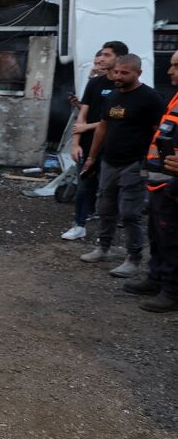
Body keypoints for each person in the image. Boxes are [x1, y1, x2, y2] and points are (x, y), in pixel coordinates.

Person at [80, 54, 166, 278]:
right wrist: (92, 157)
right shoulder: (113, 96)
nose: (118, 76)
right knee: (104, 208)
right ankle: (103, 248)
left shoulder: (151, 98)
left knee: (129, 213)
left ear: (138, 73)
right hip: (109, 161)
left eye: (124, 73)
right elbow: (103, 127)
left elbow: (160, 133)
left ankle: (134, 258)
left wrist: (156, 163)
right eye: (117, 72)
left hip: (136, 163)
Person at [123, 49, 178, 312]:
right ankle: (156, 278)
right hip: (160, 181)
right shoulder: (175, 97)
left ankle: (172, 291)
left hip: (173, 185)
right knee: (158, 236)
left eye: (176, 66)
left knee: (172, 240)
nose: (169, 71)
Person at [61, 41, 128, 240]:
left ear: (119, 58)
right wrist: (75, 143)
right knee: (84, 187)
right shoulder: (94, 83)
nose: (101, 58)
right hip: (88, 146)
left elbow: (117, 120)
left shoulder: (124, 86)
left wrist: (87, 127)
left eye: (107, 55)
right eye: (101, 55)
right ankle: (79, 225)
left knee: (108, 190)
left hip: (112, 147)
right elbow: (82, 115)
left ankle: (105, 233)